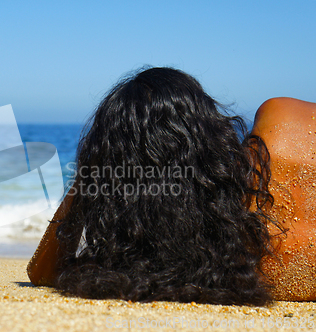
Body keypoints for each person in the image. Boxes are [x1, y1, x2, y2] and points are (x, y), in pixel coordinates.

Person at [27, 67, 316, 305]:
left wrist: (91, 168)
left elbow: (42, 272)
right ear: (212, 131)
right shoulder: (280, 120)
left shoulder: (233, 261)